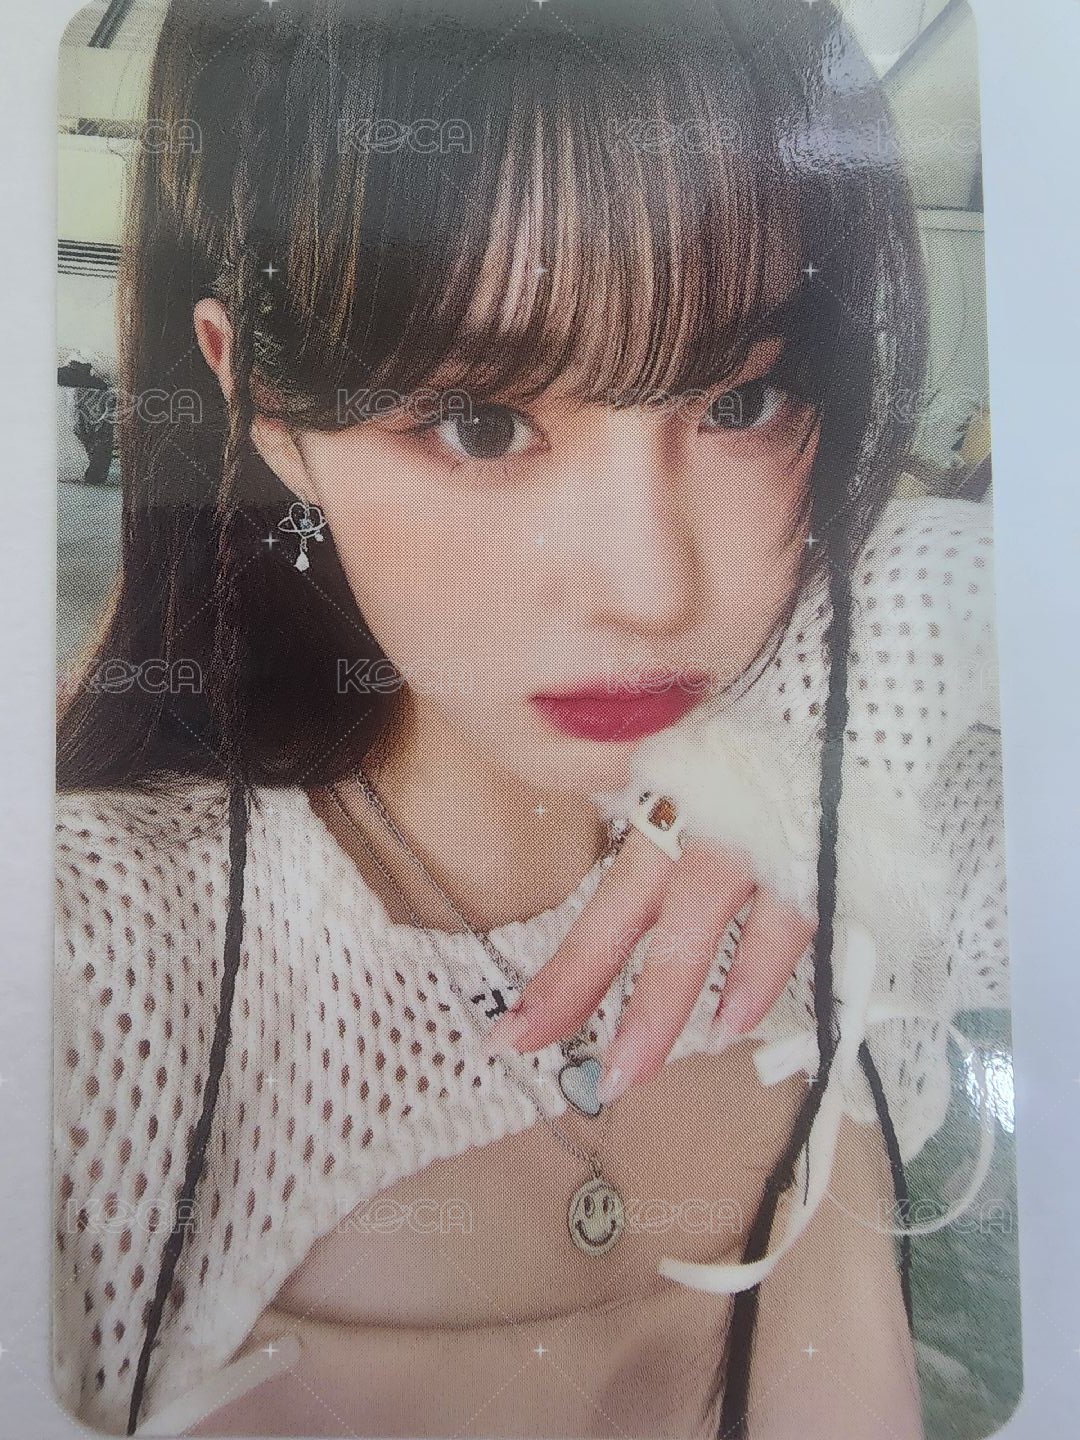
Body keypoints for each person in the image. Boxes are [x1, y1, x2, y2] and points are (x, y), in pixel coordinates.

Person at [53, 1, 1009, 1436]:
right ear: (267, 409)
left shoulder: (866, 840)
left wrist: (862, 694)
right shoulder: (93, 980)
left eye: (742, 399)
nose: (652, 588)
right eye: (482, 423)